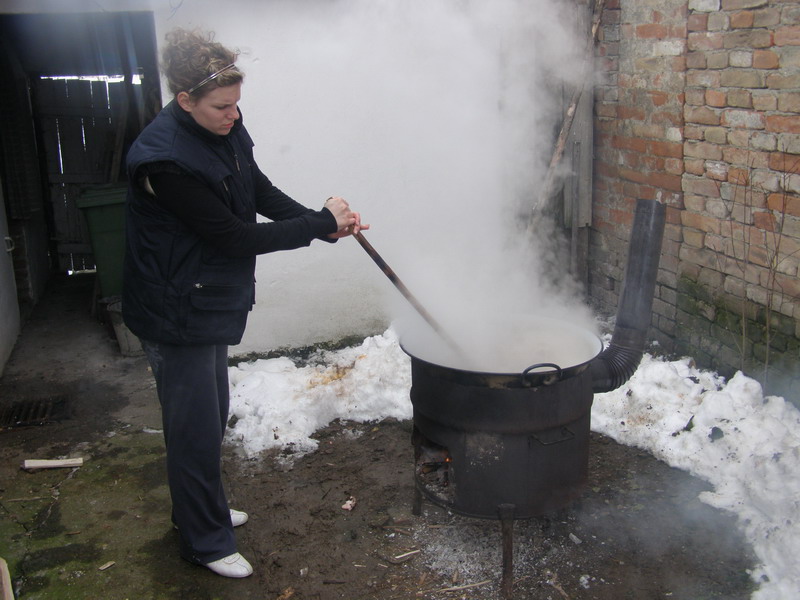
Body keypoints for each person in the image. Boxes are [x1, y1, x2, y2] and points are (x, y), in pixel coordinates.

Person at [121, 28, 366, 579]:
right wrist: (317, 223)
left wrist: (320, 225)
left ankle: (201, 509)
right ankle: (204, 540)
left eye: (237, 105)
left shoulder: (220, 123)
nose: (233, 115)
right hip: (174, 307)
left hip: (203, 298)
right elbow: (232, 235)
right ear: (184, 101)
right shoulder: (165, 161)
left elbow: (253, 187)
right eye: (221, 107)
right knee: (192, 427)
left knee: (211, 415)